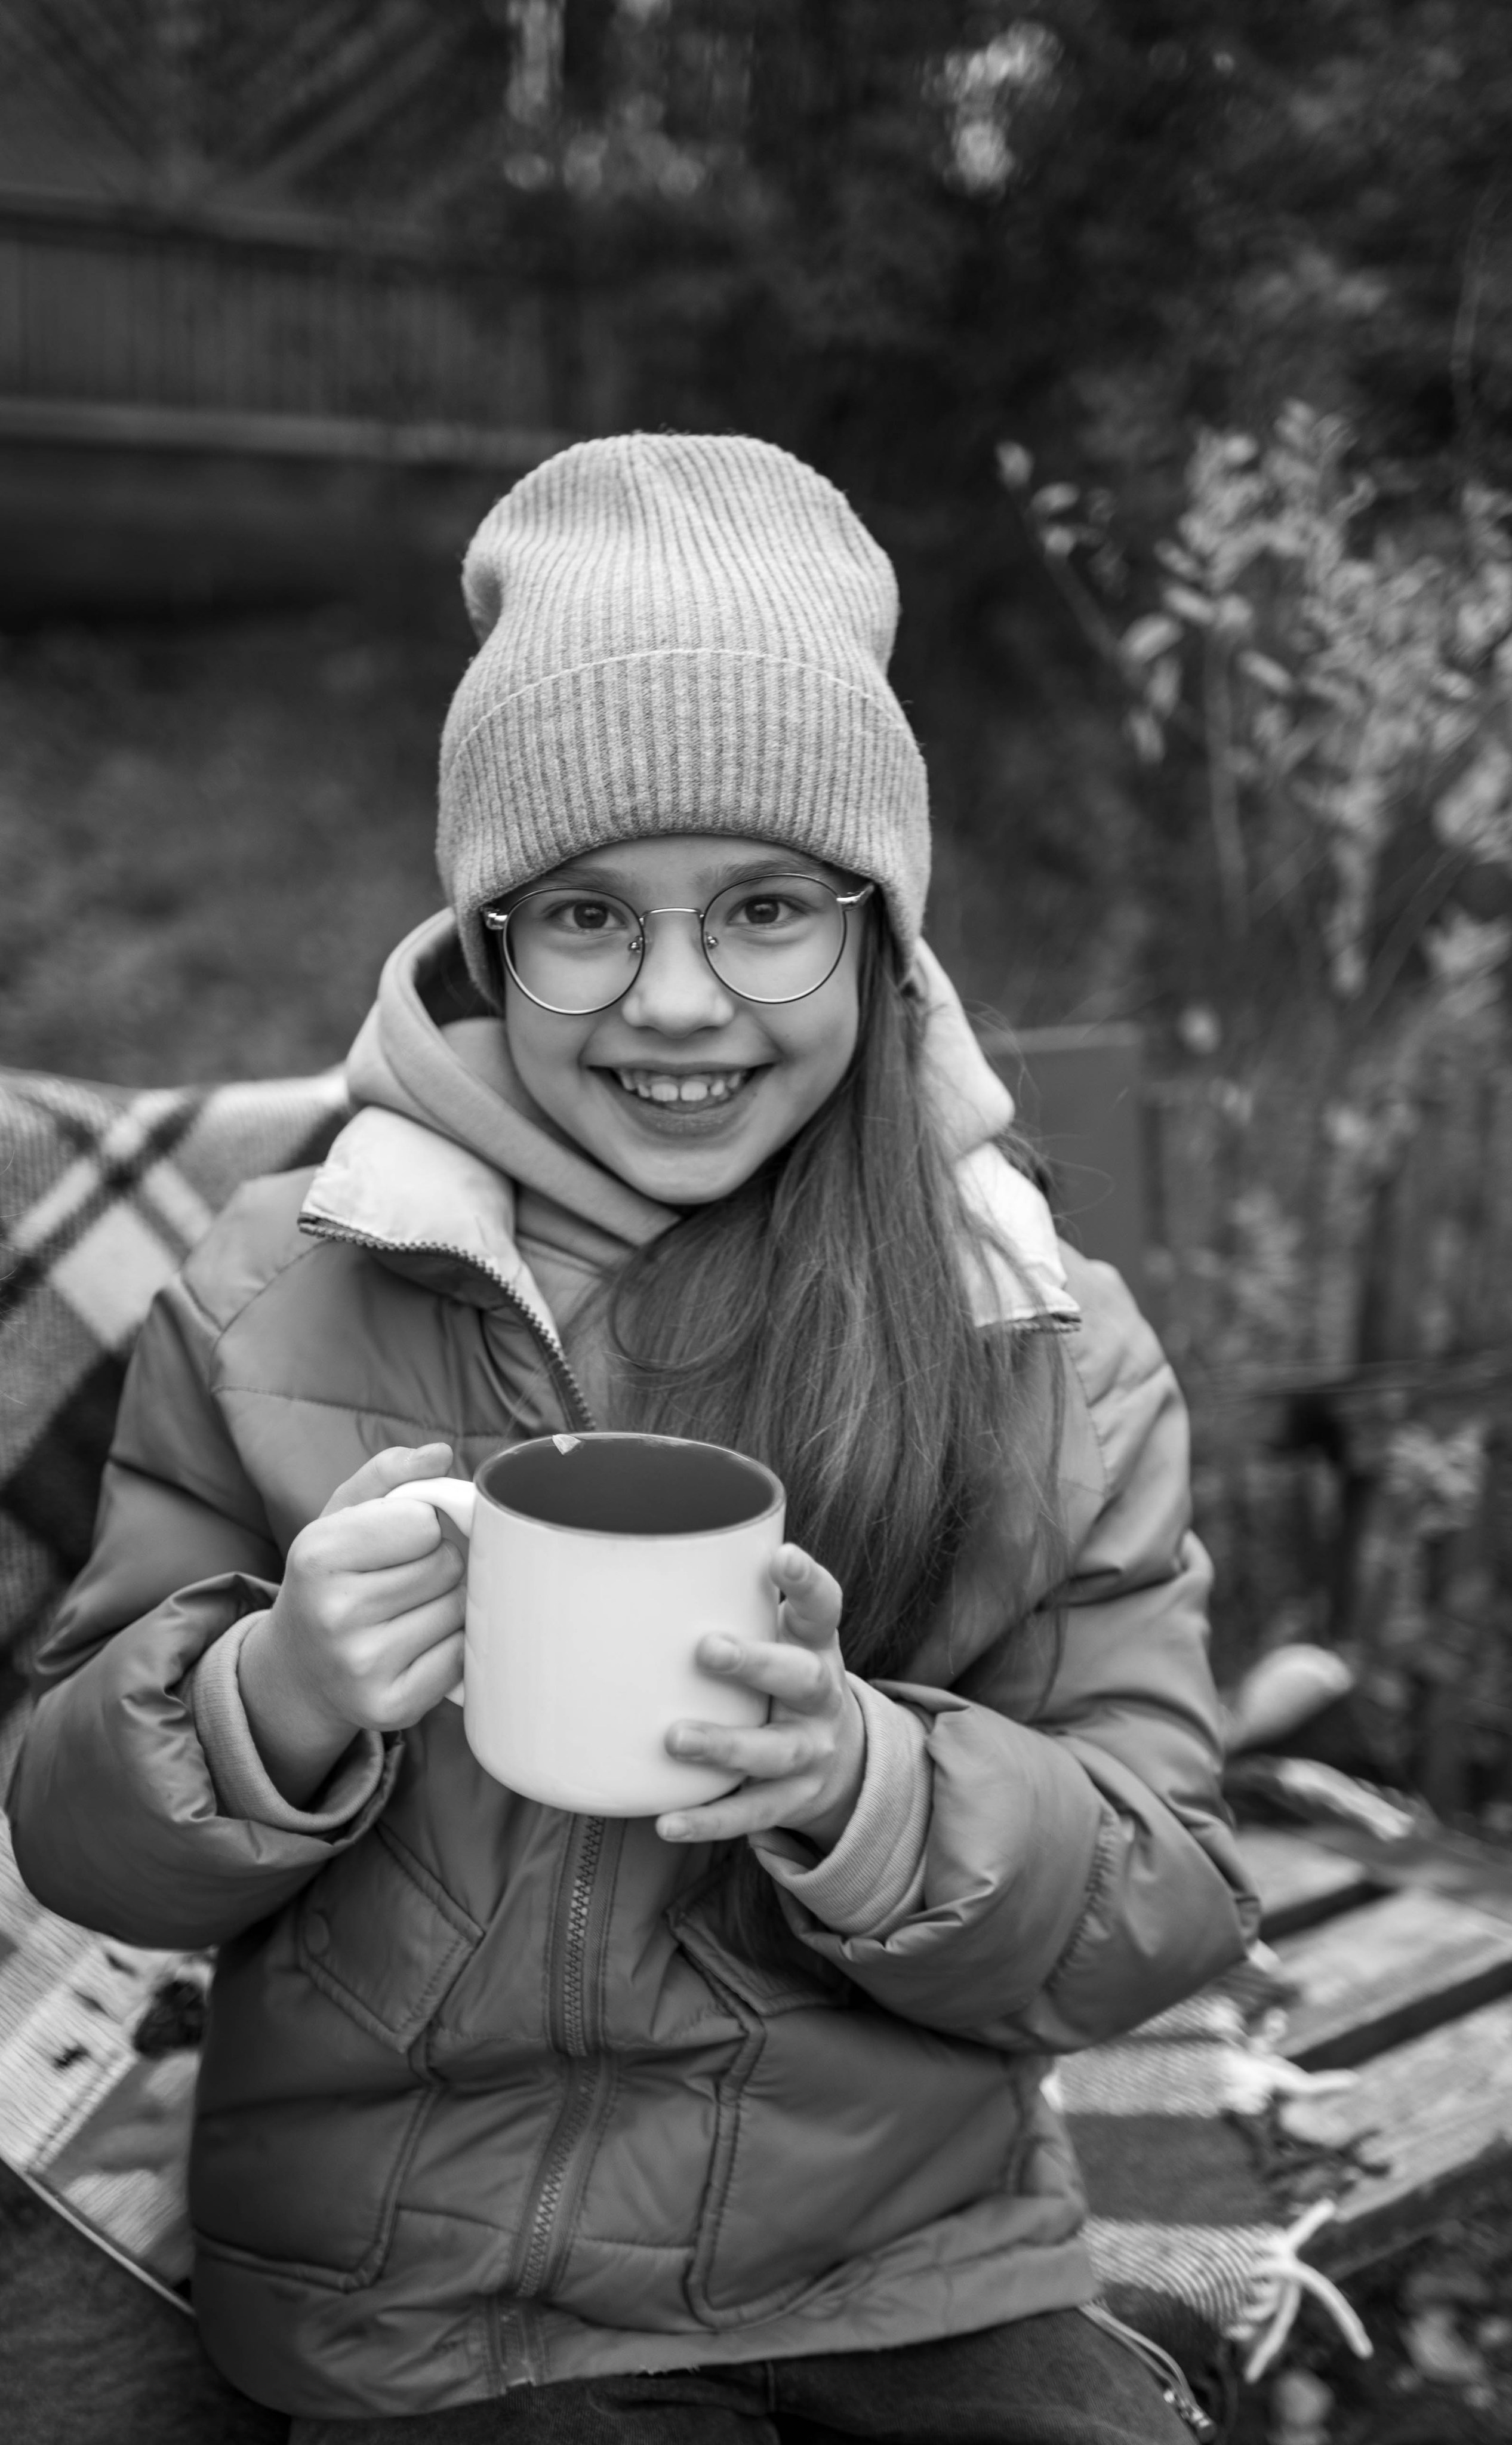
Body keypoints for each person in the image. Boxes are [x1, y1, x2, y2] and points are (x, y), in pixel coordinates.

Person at [10, 436, 1256, 2445]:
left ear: (879, 928)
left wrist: (872, 1784)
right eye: (585, 914)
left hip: (901, 2269)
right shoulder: (285, 1290)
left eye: (765, 908)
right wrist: (272, 1695)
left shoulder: (1032, 1341)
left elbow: (1165, 1892)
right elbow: (78, 1834)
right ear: (494, 937)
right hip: (415, 2289)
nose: (678, 1003)